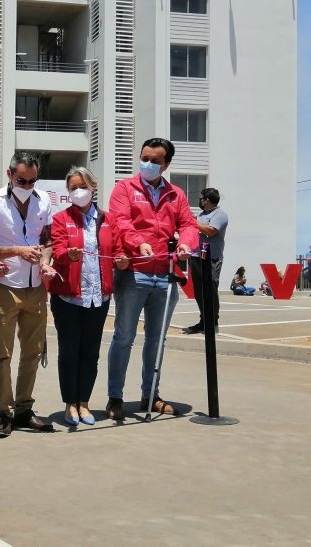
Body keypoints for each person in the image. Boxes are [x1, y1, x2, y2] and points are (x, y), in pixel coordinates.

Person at [105, 138, 199, 421]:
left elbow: (188, 224)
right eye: (144, 158)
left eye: (155, 161)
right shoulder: (124, 188)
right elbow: (120, 222)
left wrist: (186, 244)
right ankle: (115, 398)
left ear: (166, 165)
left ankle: (151, 394)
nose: (147, 164)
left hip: (166, 275)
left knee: (157, 339)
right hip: (134, 272)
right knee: (124, 336)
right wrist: (137, 243)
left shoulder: (176, 194)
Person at [0, 152, 56, 437]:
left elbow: (48, 240)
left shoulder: (43, 200)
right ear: (9, 174)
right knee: (2, 352)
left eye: (32, 181)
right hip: (4, 284)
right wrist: (17, 252)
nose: (26, 185)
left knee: (33, 351)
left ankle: (24, 408)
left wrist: (46, 262)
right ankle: (5, 411)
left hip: (35, 285)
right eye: (21, 180)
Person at [48, 166, 127, 426]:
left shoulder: (107, 219)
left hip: (98, 297)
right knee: (69, 352)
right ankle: (70, 404)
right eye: (73, 188)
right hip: (69, 297)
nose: (78, 191)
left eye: (83, 186)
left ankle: (84, 402)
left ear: (93, 187)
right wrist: (65, 255)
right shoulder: (61, 219)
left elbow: (116, 251)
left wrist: (122, 260)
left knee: (90, 353)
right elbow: (57, 248)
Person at [182, 188, 228, 335]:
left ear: (207, 199)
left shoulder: (220, 215)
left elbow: (211, 231)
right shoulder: (202, 215)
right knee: (199, 292)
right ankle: (203, 321)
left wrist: (192, 222)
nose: (200, 201)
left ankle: (213, 322)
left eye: (202, 198)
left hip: (212, 258)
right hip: (196, 257)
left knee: (210, 290)